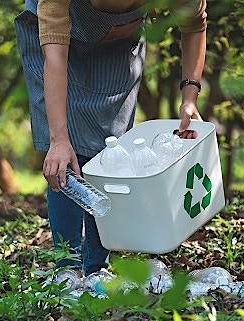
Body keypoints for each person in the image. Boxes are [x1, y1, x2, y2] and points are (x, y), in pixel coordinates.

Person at [15, 0, 207, 281]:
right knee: (65, 154)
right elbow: (55, 57)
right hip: (52, 40)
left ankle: (96, 268)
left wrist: (190, 98)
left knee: (109, 152)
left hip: (120, 39)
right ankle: (67, 269)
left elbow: (194, 24)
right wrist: (58, 140)